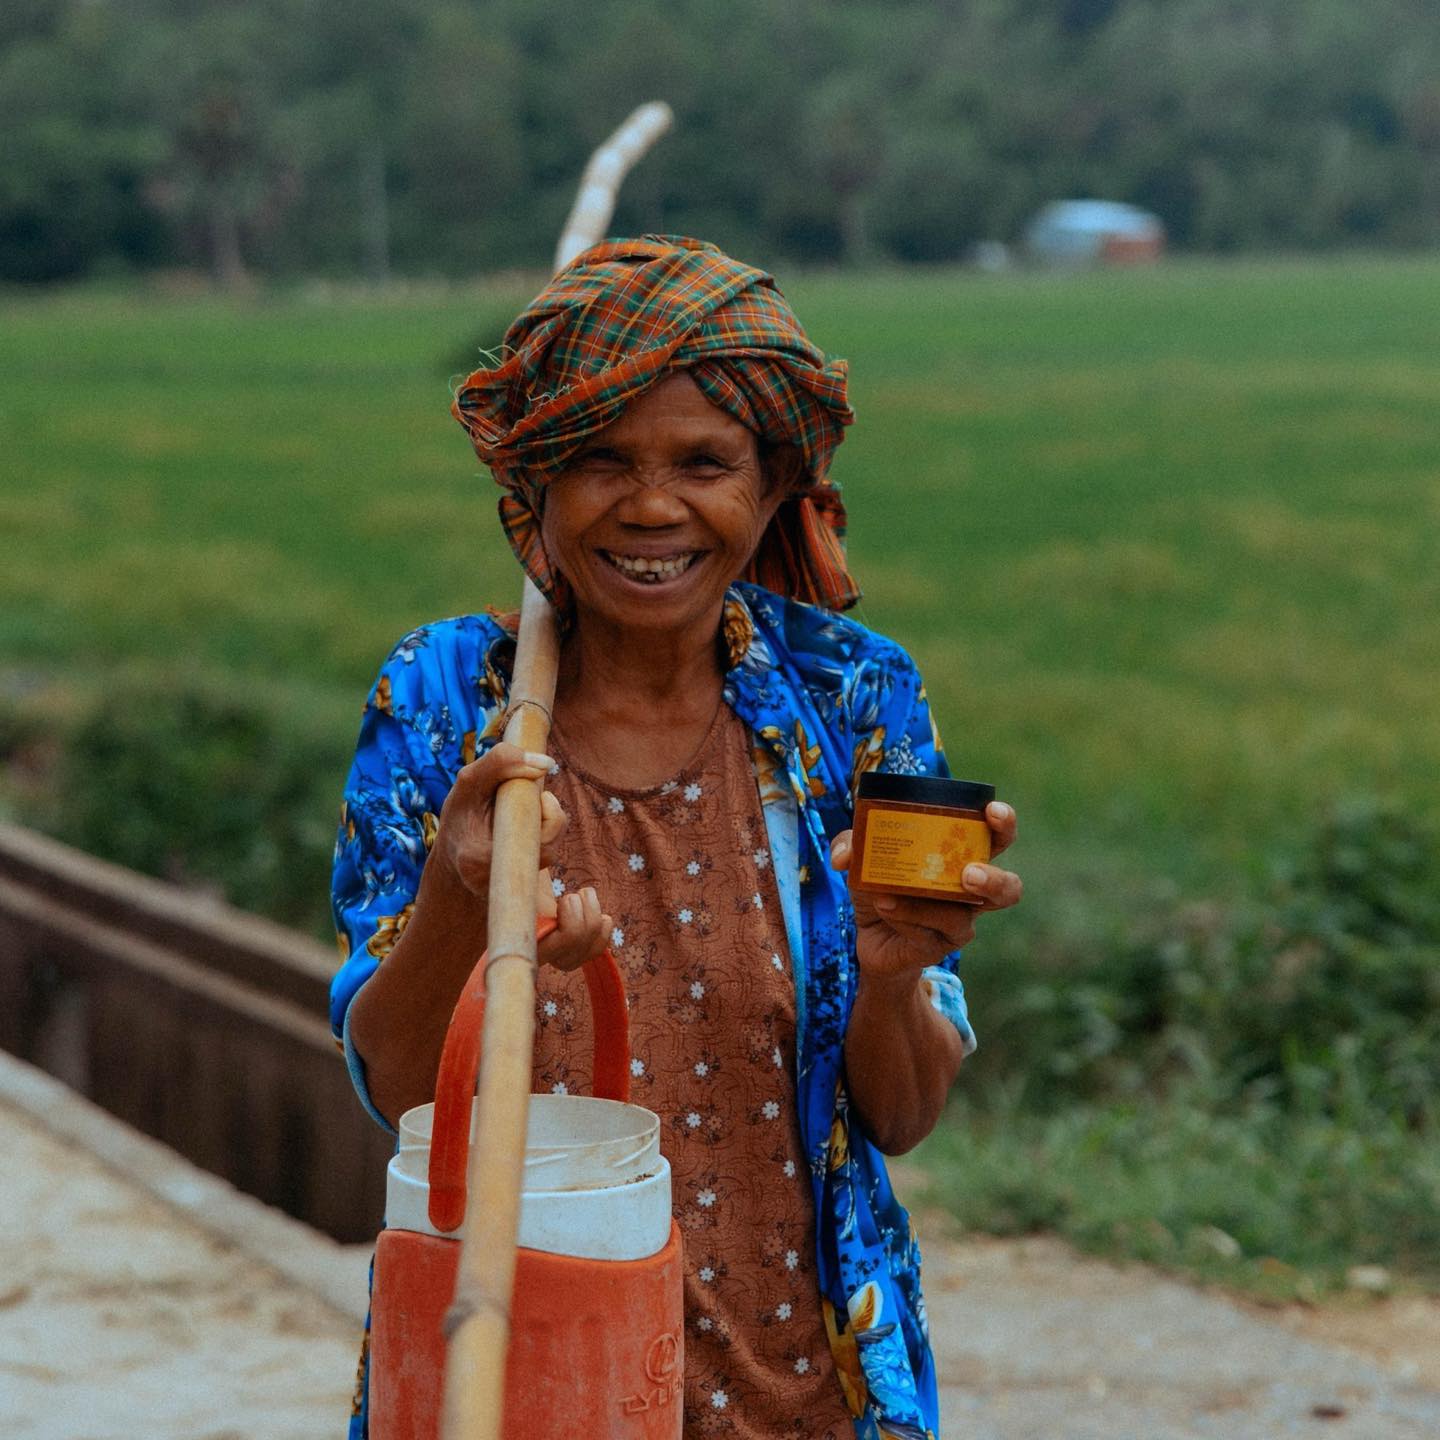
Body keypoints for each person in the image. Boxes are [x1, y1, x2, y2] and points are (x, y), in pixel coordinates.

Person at [330, 235, 1022, 1440]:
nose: (653, 508)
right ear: (537, 486)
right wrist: (458, 888)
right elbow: (396, 1091)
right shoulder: (447, 699)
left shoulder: (848, 697)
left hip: (800, 1393)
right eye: (600, 462)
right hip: (523, 1389)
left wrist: (897, 968)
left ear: (770, 492)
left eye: (705, 462)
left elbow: (899, 1117)